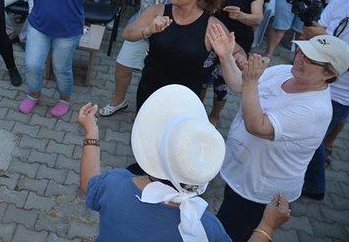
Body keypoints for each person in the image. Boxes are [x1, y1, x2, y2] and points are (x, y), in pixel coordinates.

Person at [77, 86, 292, 242]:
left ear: (155, 150)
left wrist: (91, 132)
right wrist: (267, 226)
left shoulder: (116, 185)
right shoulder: (206, 228)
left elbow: (88, 184)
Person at [208, 24, 349, 241]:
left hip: (259, 191)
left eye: (311, 59)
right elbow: (239, 84)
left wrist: (252, 82)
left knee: (227, 235)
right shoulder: (285, 72)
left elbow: (256, 126)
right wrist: (226, 56)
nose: (300, 58)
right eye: (302, 51)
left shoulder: (314, 110)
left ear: (329, 74)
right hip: (242, 174)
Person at [122, 0, 245, 112]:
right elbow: (127, 33)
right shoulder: (157, 11)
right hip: (150, 93)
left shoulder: (210, 25)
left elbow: (237, 51)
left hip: (185, 101)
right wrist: (148, 30)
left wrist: (240, 59)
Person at [209, 0, 264, 125]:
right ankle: (196, 107)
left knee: (221, 82)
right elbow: (208, 5)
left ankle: (215, 115)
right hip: (213, 37)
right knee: (201, 75)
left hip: (237, 43)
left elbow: (257, 18)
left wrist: (241, 15)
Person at [301, 0, 349, 200]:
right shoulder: (341, 0)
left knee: (311, 139)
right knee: (312, 139)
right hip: (318, 83)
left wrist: (326, 38)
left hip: (342, 94)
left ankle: (314, 185)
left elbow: (323, 38)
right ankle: (314, 185)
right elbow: (316, 32)